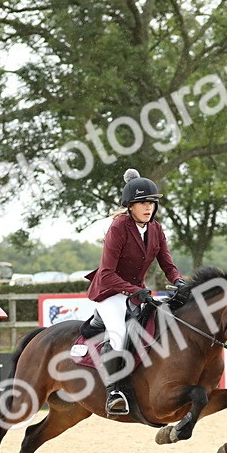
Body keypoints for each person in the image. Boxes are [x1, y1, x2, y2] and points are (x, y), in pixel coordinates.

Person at [84, 168, 186, 416]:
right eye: (142, 202)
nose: (148, 207)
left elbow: (168, 265)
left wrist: (179, 281)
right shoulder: (119, 228)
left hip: (134, 293)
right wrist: (135, 291)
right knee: (119, 334)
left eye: (151, 202)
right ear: (130, 206)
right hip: (109, 293)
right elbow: (106, 273)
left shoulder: (156, 229)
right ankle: (114, 392)